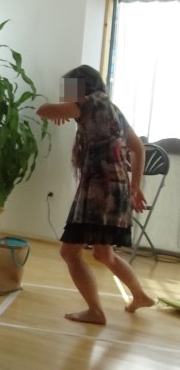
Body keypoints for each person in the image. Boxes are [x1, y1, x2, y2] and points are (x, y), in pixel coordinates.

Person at [37, 64, 154, 325]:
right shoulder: (113, 110)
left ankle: (96, 312)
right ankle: (140, 296)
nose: (66, 95)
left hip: (97, 192)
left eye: (68, 89)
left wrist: (63, 108)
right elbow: (138, 148)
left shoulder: (86, 104)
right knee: (104, 254)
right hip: (116, 189)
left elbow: (42, 110)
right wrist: (135, 186)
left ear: (80, 87)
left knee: (70, 253)